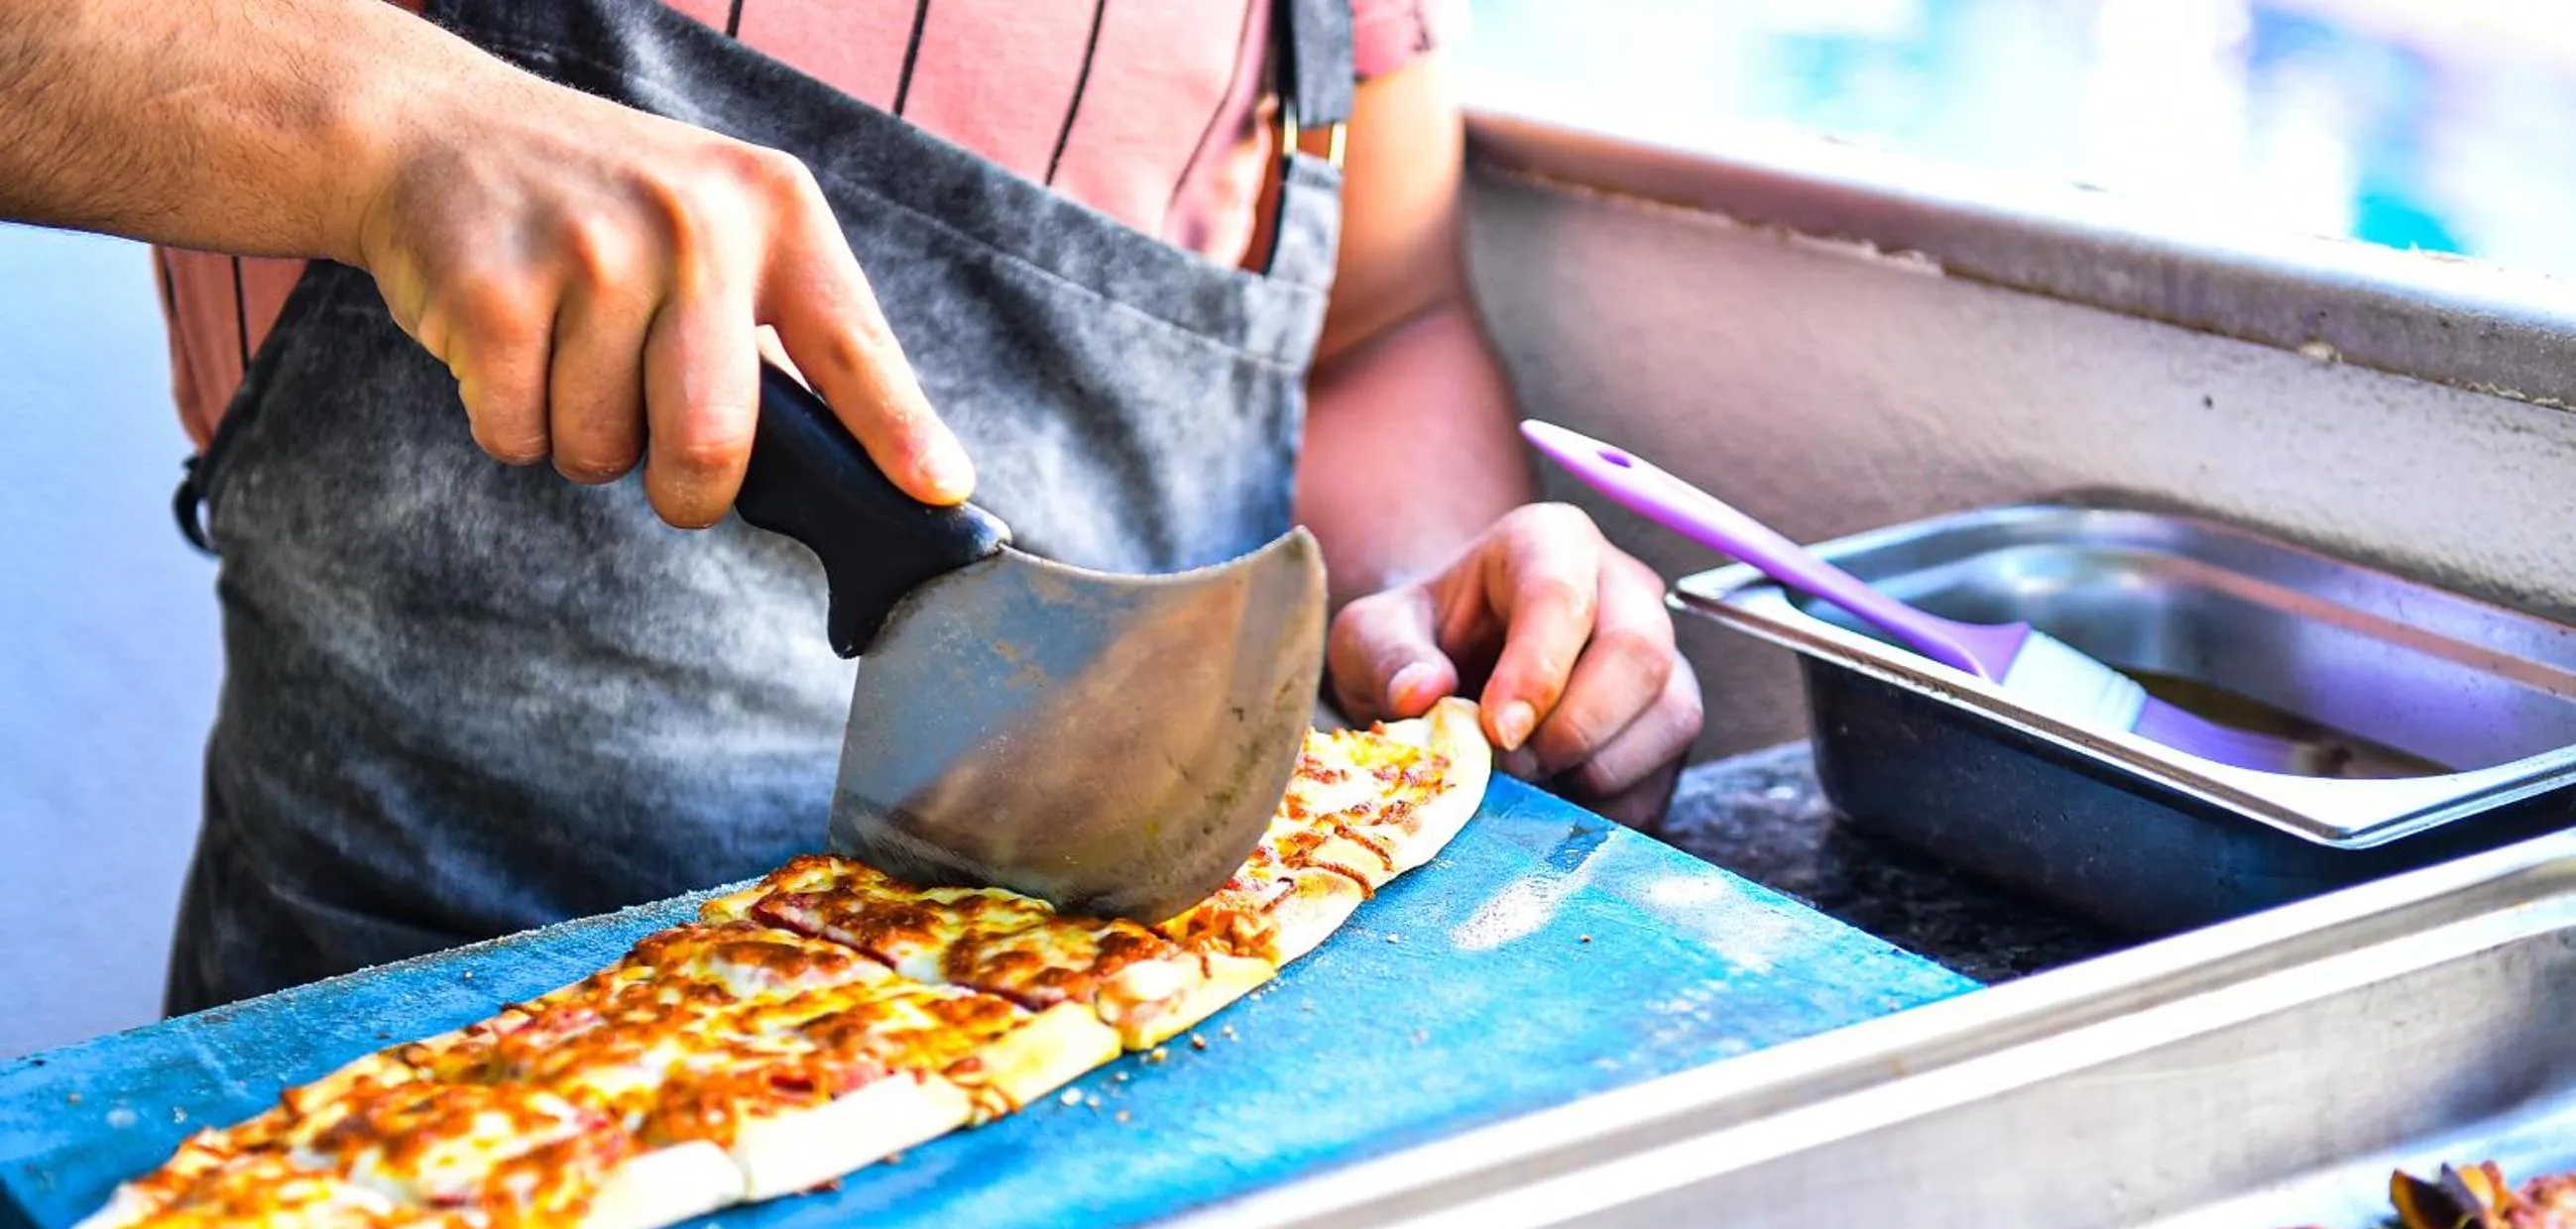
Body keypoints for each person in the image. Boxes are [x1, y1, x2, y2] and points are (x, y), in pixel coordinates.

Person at [0, 0, 1702, 1012]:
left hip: (1155, 1022)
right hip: (398, 1048)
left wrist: (1436, 632)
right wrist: (388, 127)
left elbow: (1379, 329)